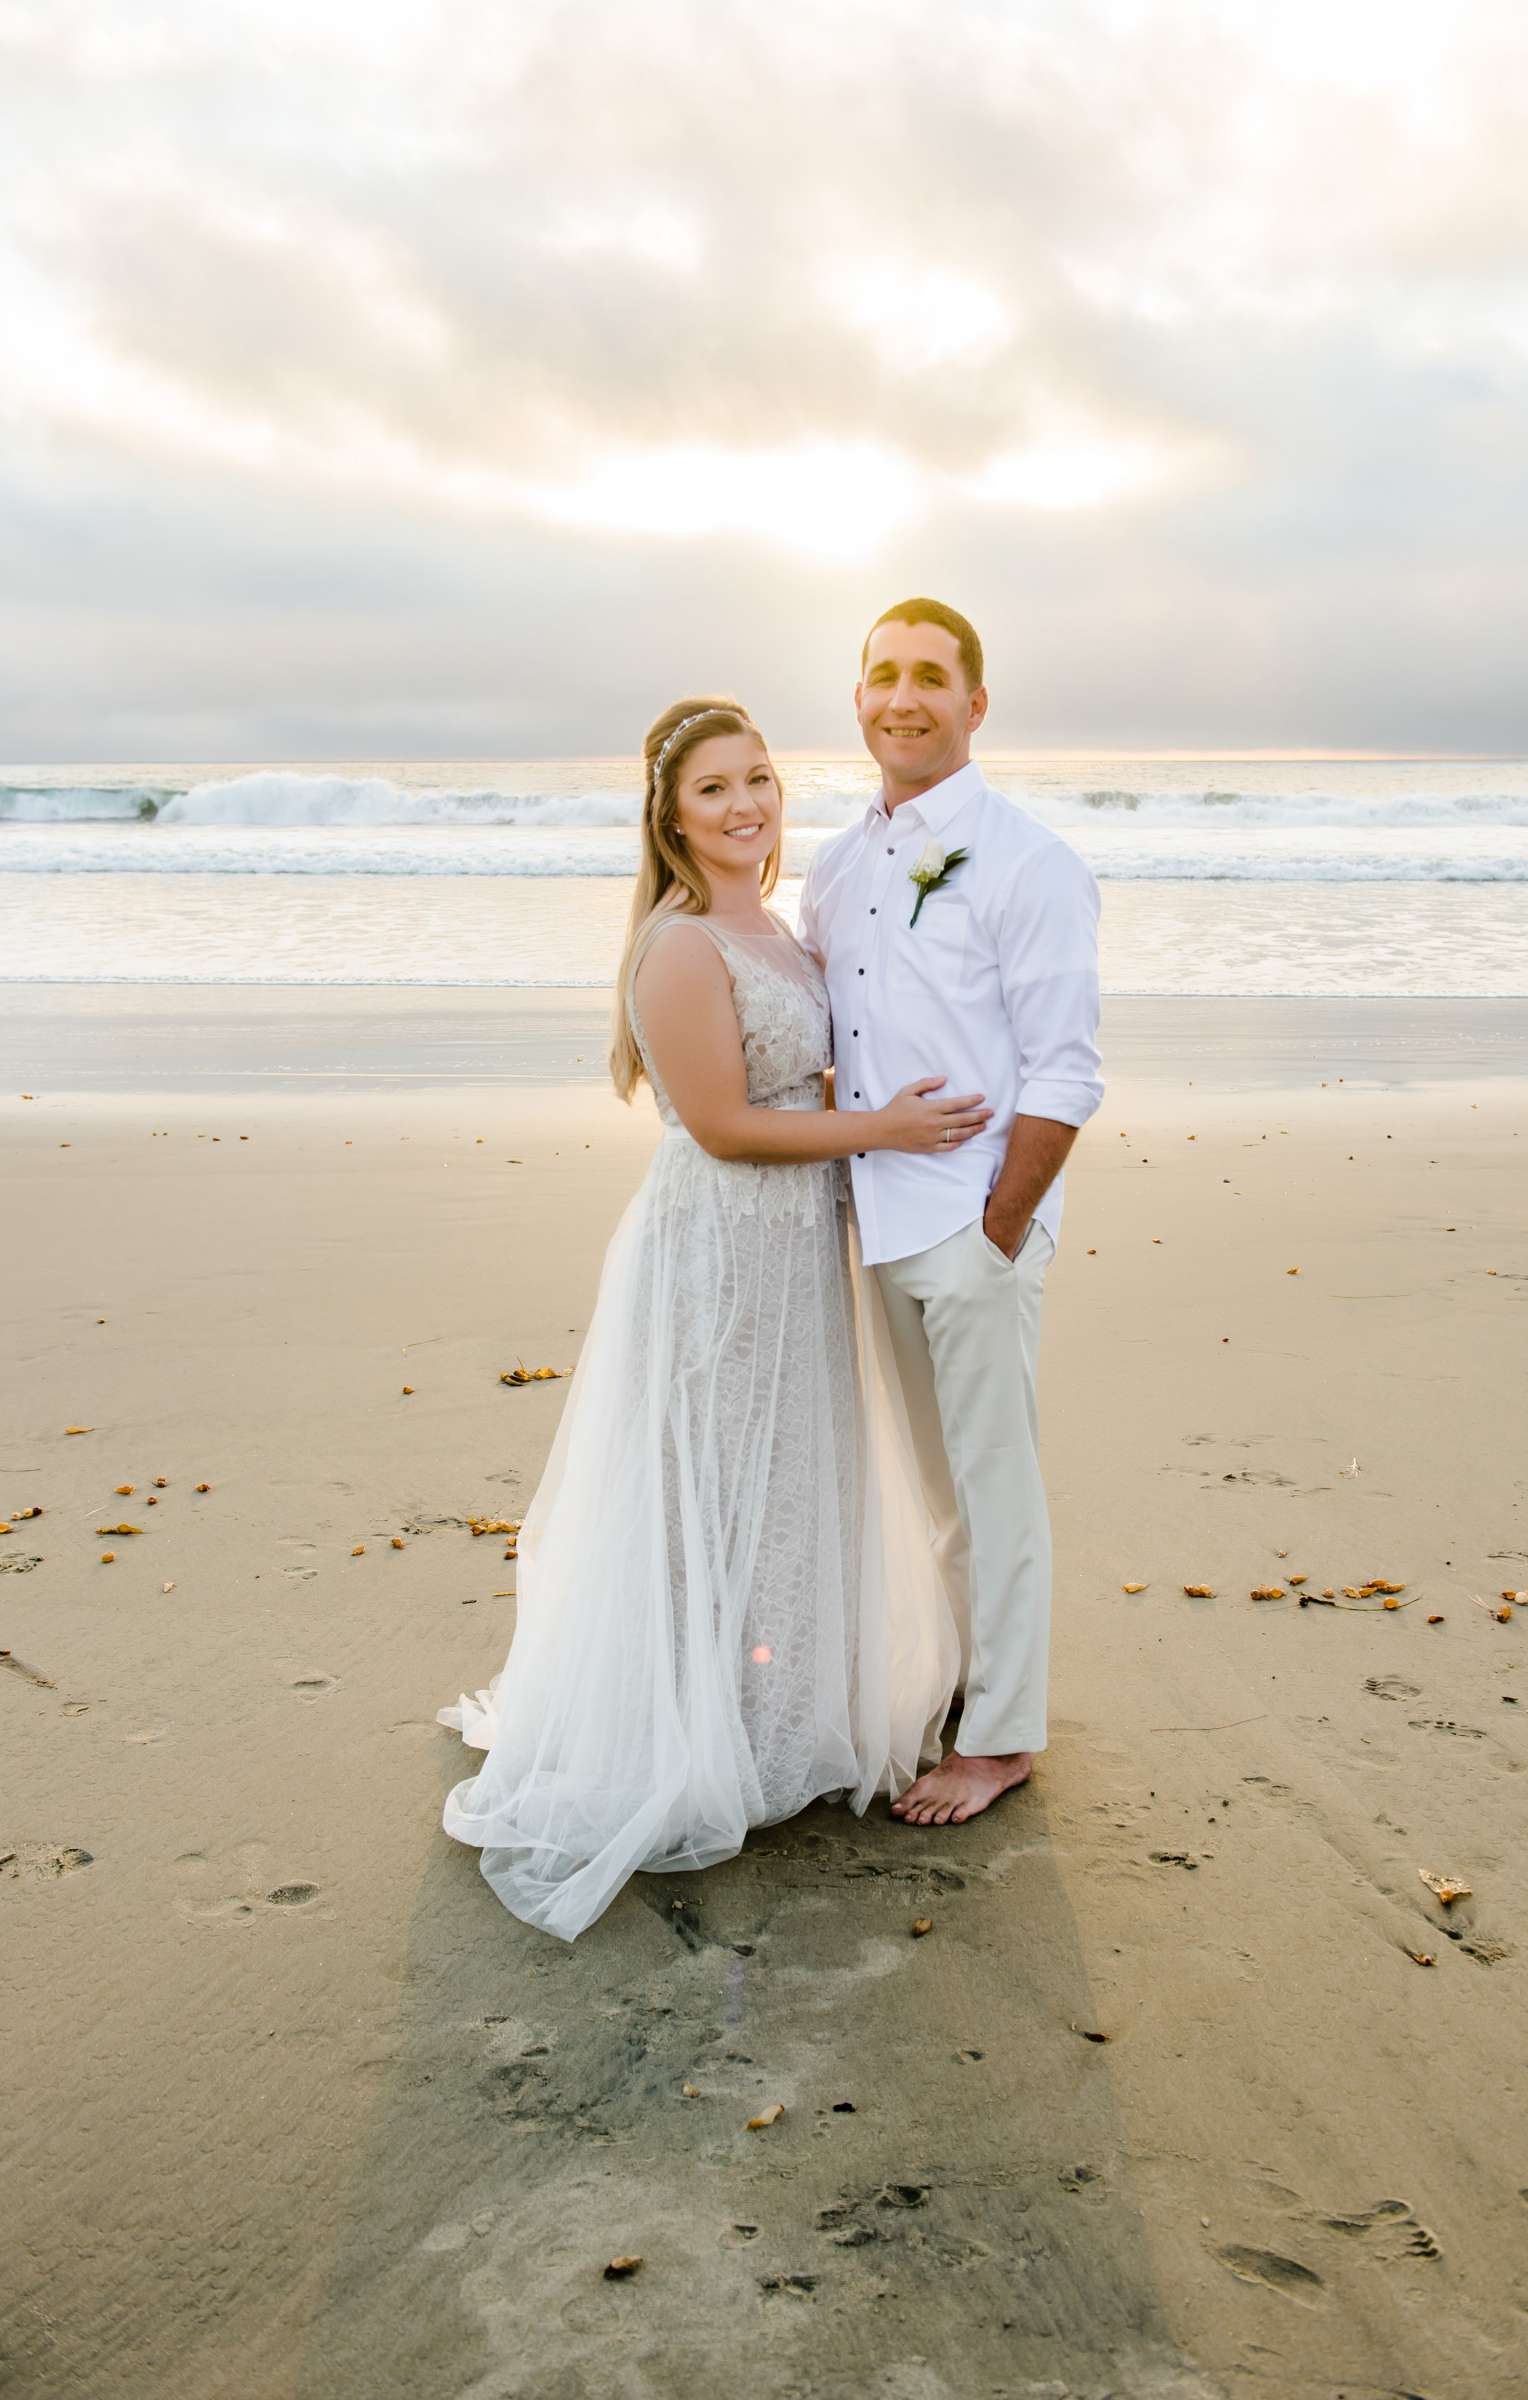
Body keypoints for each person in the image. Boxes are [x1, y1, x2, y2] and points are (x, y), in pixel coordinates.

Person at [437, 695, 981, 1939]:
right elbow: (729, 1130)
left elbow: (794, 1080)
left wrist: (884, 1107)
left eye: (761, 780)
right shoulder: (681, 947)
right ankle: (690, 1730)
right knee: (709, 1476)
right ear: (672, 821)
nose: (747, 806)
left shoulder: (777, 932)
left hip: (798, 1248)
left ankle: (768, 1711)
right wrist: (885, 1128)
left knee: (785, 1477)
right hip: (724, 1251)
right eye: (715, 791)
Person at [798, 599, 1104, 1828]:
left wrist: (1001, 1225)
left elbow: (1066, 1069)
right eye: (882, 675)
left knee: (991, 1485)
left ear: (976, 704)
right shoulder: (834, 864)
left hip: (970, 1226)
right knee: (925, 1488)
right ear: (858, 697)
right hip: (870, 1222)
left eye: (931, 677)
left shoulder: (1028, 861)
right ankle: (959, 1686)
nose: (903, 698)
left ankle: (1004, 1737)